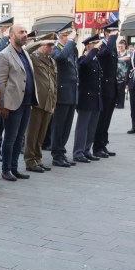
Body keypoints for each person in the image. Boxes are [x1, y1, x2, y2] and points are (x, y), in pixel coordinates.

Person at [0, 24, 37, 181]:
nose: (25, 34)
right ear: (12, 36)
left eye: (26, 32)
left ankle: (14, 168)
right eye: (21, 32)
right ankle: (6, 170)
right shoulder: (4, 55)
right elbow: (1, 82)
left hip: (26, 103)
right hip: (12, 104)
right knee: (10, 138)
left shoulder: (24, 53)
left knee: (20, 138)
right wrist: (3, 105)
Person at [23, 36, 57, 173]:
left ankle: (38, 159)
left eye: (52, 45)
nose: (51, 48)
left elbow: (54, 82)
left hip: (48, 101)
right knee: (32, 134)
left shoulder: (52, 61)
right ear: (42, 46)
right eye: (48, 45)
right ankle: (30, 161)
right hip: (37, 102)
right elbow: (25, 50)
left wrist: (54, 102)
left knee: (41, 134)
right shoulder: (34, 57)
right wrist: (38, 42)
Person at [50, 25, 79, 167]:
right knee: (59, 126)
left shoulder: (70, 51)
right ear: (63, 36)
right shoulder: (57, 50)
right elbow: (60, 58)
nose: (73, 39)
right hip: (62, 94)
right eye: (69, 35)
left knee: (67, 127)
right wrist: (71, 42)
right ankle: (56, 154)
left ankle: (62, 152)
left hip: (72, 93)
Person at [72, 34, 103, 163]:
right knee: (82, 127)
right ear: (88, 45)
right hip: (86, 98)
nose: (99, 47)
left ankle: (86, 150)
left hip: (96, 98)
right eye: (96, 45)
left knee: (92, 127)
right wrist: (94, 49)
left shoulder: (95, 60)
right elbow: (84, 64)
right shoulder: (83, 59)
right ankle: (78, 152)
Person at [93, 21, 120, 158]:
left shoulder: (112, 46)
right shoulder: (103, 45)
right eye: (113, 33)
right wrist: (112, 38)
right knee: (101, 119)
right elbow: (106, 53)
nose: (116, 35)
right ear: (106, 33)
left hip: (111, 89)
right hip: (103, 89)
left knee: (107, 119)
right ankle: (97, 147)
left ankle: (103, 144)